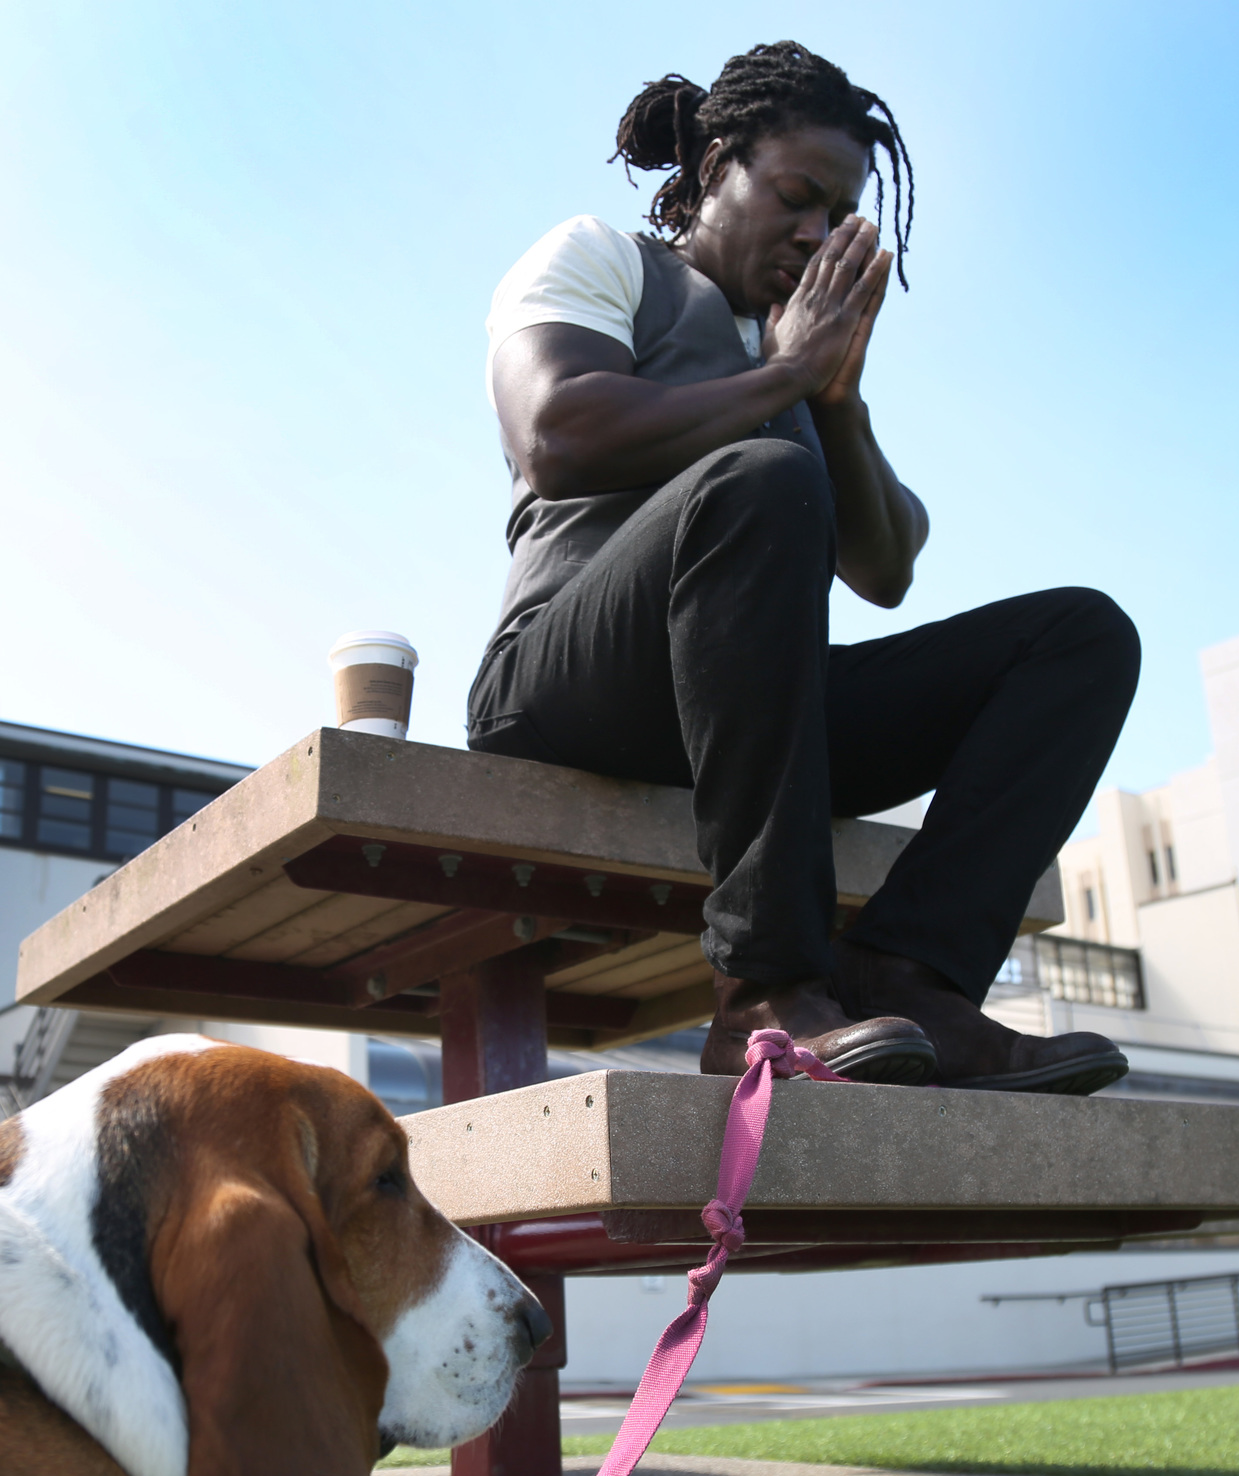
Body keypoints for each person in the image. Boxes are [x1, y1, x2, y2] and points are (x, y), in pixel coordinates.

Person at [468, 42, 1140, 1093]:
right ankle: (764, 993)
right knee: (765, 476)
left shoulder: (794, 352)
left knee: (1078, 638)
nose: (814, 233)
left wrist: (832, 400)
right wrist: (782, 376)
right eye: (794, 197)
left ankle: (913, 976)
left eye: (836, 216)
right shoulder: (600, 258)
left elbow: (886, 567)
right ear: (714, 166)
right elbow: (555, 433)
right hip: (570, 681)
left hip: (748, 704)